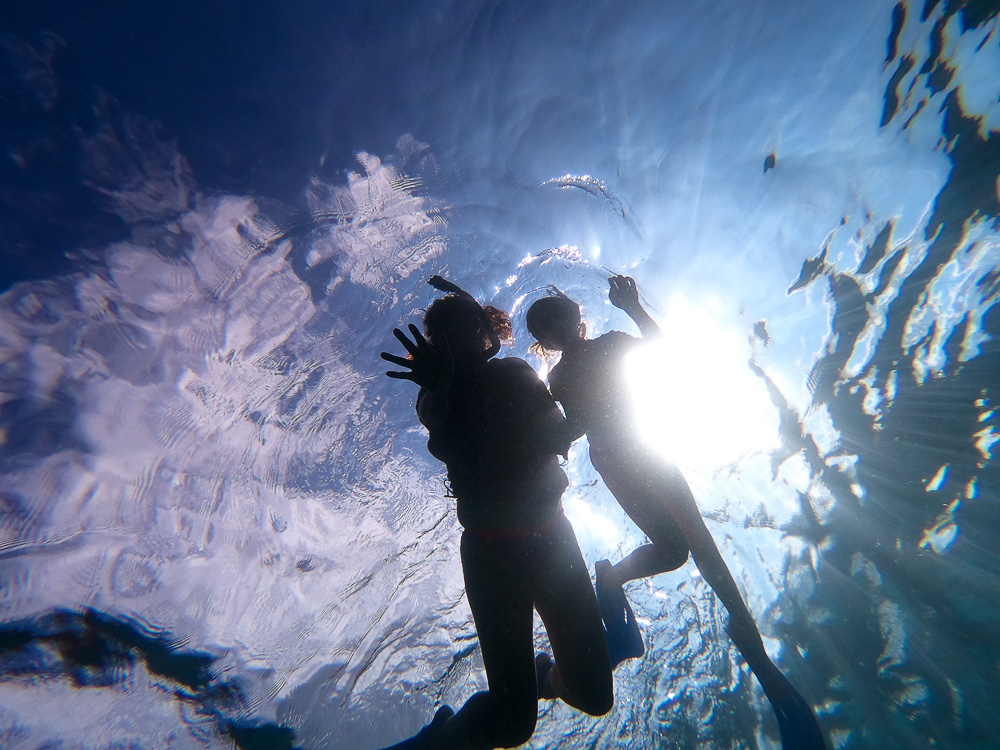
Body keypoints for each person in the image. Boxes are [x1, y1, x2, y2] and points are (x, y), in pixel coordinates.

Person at [525, 275, 827, 750]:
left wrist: (634, 307)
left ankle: (613, 578)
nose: (559, 331)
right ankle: (749, 640)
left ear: (571, 323)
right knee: (689, 543)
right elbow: (572, 426)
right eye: (549, 327)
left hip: (636, 450)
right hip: (625, 456)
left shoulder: (600, 351)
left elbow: (656, 354)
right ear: (550, 339)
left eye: (557, 320)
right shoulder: (561, 376)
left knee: (679, 549)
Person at [378, 276, 613, 750]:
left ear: (485, 333)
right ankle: (445, 735)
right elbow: (438, 427)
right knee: (512, 723)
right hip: (490, 553)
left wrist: (592, 411)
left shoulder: (515, 372)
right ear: (433, 347)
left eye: (465, 328)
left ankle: (546, 679)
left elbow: (557, 434)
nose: (456, 339)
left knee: (595, 696)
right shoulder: (435, 393)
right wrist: (441, 384)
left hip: (552, 537)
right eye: (441, 335)